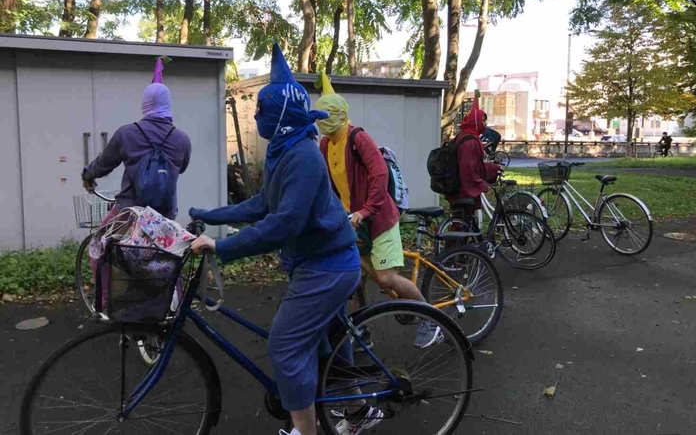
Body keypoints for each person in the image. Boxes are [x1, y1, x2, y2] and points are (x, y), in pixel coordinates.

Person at [188, 45, 380, 435]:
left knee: (285, 345)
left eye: (261, 110)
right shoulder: (283, 150)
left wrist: (222, 246)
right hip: (316, 262)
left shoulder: (303, 157)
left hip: (327, 266)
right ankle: (359, 410)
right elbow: (263, 203)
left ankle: (304, 431)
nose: (256, 116)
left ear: (280, 115)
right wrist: (212, 215)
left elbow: (284, 224)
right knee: (327, 343)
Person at [313, 71, 442, 349]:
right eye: (319, 117)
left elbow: (380, 174)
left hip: (378, 218)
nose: (321, 122)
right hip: (353, 222)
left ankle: (431, 320)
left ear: (339, 115)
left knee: (386, 277)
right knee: (353, 279)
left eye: (325, 116)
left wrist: (367, 210)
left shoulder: (357, 138)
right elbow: (326, 183)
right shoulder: (325, 144)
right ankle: (362, 333)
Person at [81, 57, 192, 220]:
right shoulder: (182, 139)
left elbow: (104, 163)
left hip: (130, 213)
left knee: (102, 235)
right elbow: (181, 168)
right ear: (168, 103)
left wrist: (87, 175)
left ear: (145, 103)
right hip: (164, 216)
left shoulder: (126, 133)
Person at [451, 90, 501, 211]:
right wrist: (482, 185)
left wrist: (493, 168)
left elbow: (475, 165)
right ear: (476, 121)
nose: (485, 124)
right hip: (463, 192)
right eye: (483, 120)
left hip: (458, 189)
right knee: (465, 218)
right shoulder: (470, 142)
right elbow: (468, 169)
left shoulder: (466, 136)